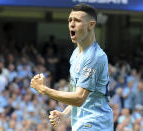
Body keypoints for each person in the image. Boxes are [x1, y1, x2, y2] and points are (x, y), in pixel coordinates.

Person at [30, 3, 113, 131]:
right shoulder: (75, 54)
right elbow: (77, 95)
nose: (72, 24)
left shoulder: (94, 56)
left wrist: (43, 89)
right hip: (83, 123)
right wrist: (65, 114)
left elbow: (79, 98)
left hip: (95, 124)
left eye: (77, 20)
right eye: (70, 20)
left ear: (91, 25)